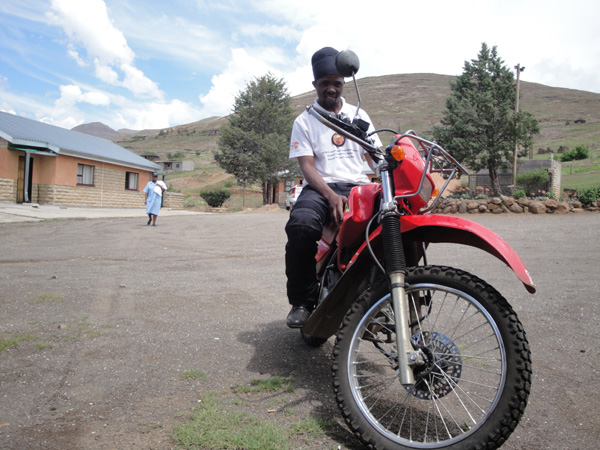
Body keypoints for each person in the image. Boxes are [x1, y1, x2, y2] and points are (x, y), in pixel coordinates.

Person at [285, 47, 382, 328]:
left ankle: (388, 293)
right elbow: (307, 167)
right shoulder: (304, 121)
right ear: (315, 85)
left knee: (394, 222)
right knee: (301, 226)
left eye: (336, 83)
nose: (331, 88)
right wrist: (330, 196)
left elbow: (376, 157)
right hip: (321, 187)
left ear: (343, 84)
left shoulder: (358, 116)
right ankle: (302, 301)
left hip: (359, 187)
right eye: (325, 83)